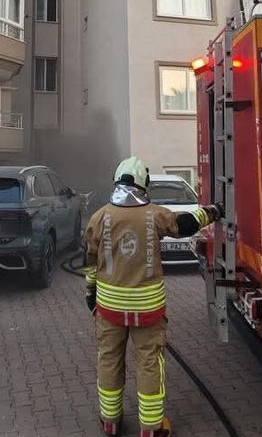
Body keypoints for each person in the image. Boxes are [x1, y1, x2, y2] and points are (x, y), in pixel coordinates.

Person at [82, 157, 222, 437]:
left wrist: (90, 292)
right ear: (143, 183)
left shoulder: (99, 217)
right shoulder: (154, 214)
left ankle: (110, 421)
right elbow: (185, 224)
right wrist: (213, 211)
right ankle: (151, 427)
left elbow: (90, 261)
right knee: (148, 362)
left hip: (109, 308)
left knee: (109, 358)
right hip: (147, 309)